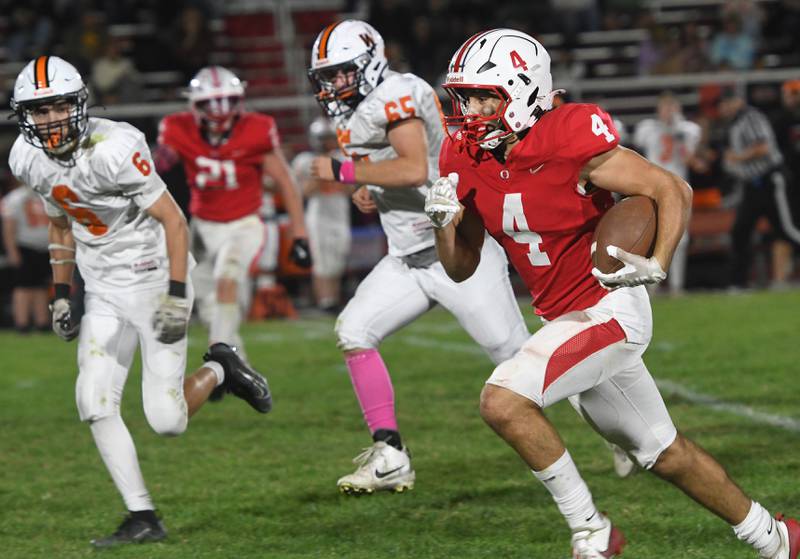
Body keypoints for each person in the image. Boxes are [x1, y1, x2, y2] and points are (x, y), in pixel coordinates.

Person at [426, 29, 799, 558]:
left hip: (608, 309)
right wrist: (444, 225)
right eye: (465, 97)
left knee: (503, 401)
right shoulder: (462, 156)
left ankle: (591, 531)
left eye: (486, 96)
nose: (471, 110)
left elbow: (672, 188)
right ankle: (777, 538)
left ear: (525, 91)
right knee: (664, 452)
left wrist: (659, 262)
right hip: (562, 320)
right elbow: (461, 268)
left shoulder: (568, 135)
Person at [8, 56, 272, 547]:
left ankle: (221, 368)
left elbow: (175, 221)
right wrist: (62, 292)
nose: (49, 121)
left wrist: (175, 294)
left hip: (152, 279)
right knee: (93, 401)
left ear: (79, 103)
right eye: (37, 111)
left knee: (166, 421)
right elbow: (61, 219)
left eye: (58, 107)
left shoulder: (115, 147)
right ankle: (142, 515)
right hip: (102, 287)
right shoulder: (27, 157)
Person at [307, 20, 530, 495]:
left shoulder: (396, 92)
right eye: (326, 76)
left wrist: (344, 170)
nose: (332, 85)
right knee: (353, 330)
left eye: (341, 73)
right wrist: (368, 185)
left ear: (368, 62)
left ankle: (622, 427)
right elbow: (397, 168)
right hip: (408, 256)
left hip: (456, 250)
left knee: (520, 361)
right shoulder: (361, 107)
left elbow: (414, 167)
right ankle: (390, 456)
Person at [155, 65, 311, 361]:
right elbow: (160, 164)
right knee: (206, 301)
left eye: (226, 101)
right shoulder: (178, 128)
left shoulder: (256, 128)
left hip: (244, 223)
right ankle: (238, 365)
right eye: (211, 103)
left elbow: (286, 181)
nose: (219, 110)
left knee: (227, 281)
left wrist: (300, 233)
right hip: (202, 226)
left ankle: (220, 357)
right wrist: (155, 162)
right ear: (194, 104)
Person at [719, 86, 800, 289]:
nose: (725, 108)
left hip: (769, 181)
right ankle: (737, 284)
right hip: (751, 187)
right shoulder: (733, 124)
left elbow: (763, 148)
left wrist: (736, 158)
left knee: (787, 230)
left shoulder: (751, 117)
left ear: (737, 101)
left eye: (728, 103)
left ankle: (739, 283)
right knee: (740, 232)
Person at [633, 91, 703, 295]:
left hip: (679, 188)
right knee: (652, 237)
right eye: (665, 107)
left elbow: (691, 160)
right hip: (653, 188)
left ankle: (676, 287)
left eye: (672, 108)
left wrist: (678, 137)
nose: (668, 112)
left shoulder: (687, 130)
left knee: (681, 238)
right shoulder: (648, 128)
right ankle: (651, 288)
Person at [291, 116, 351, 313]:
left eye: (332, 137)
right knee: (321, 259)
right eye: (326, 138)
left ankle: (334, 298)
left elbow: (351, 189)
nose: (330, 142)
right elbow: (303, 192)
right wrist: (321, 173)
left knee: (338, 256)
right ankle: (325, 301)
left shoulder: (343, 158)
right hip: (318, 213)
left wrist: (337, 173)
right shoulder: (305, 160)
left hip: (339, 210)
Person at [1, 182, 51, 332]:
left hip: (45, 247)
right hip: (25, 246)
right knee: (23, 286)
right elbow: (9, 226)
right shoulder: (16, 198)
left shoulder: (46, 195)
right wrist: (12, 251)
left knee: (41, 287)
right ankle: (22, 323)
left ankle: (42, 322)